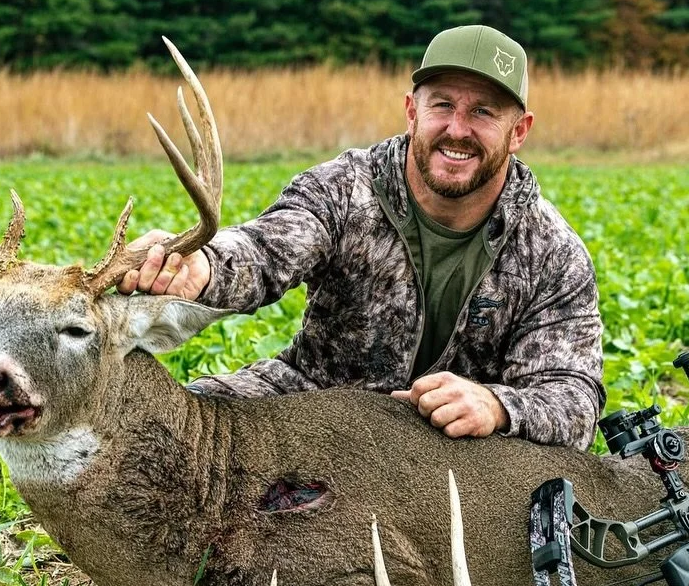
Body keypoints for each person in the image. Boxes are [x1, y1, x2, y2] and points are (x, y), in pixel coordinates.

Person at [121, 25, 605, 451]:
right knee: (175, 429)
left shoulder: (551, 252)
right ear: (411, 111)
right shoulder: (344, 190)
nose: (457, 129)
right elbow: (266, 250)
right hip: (316, 400)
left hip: (456, 452)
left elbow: (576, 400)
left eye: (483, 112)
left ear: (518, 131)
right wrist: (202, 267)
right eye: (442, 105)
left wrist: (496, 405)